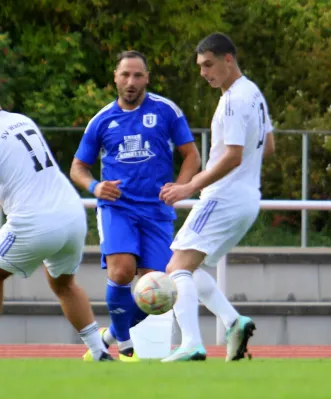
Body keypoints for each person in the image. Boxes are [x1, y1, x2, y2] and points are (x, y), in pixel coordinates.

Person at [0, 65, 113, 362]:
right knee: (62, 283)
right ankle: (99, 351)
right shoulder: (23, 120)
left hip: (36, 222)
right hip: (73, 215)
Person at [70, 50, 201, 362]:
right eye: (125, 75)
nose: (131, 81)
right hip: (118, 209)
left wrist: (182, 187)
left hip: (156, 211)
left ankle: (110, 336)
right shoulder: (101, 120)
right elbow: (77, 167)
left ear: (147, 78)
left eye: (137, 75)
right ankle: (126, 348)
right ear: (115, 77)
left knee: (158, 290)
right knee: (122, 271)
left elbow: (192, 156)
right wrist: (95, 186)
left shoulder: (166, 111)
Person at [159, 32, 276, 362]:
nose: (203, 72)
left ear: (229, 60)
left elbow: (234, 155)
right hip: (247, 198)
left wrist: (189, 186)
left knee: (176, 268)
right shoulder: (254, 94)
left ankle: (191, 344)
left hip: (223, 198)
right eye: (200, 66)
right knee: (189, 269)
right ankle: (233, 322)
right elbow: (268, 147)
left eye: (208, 64)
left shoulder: (234, 100)